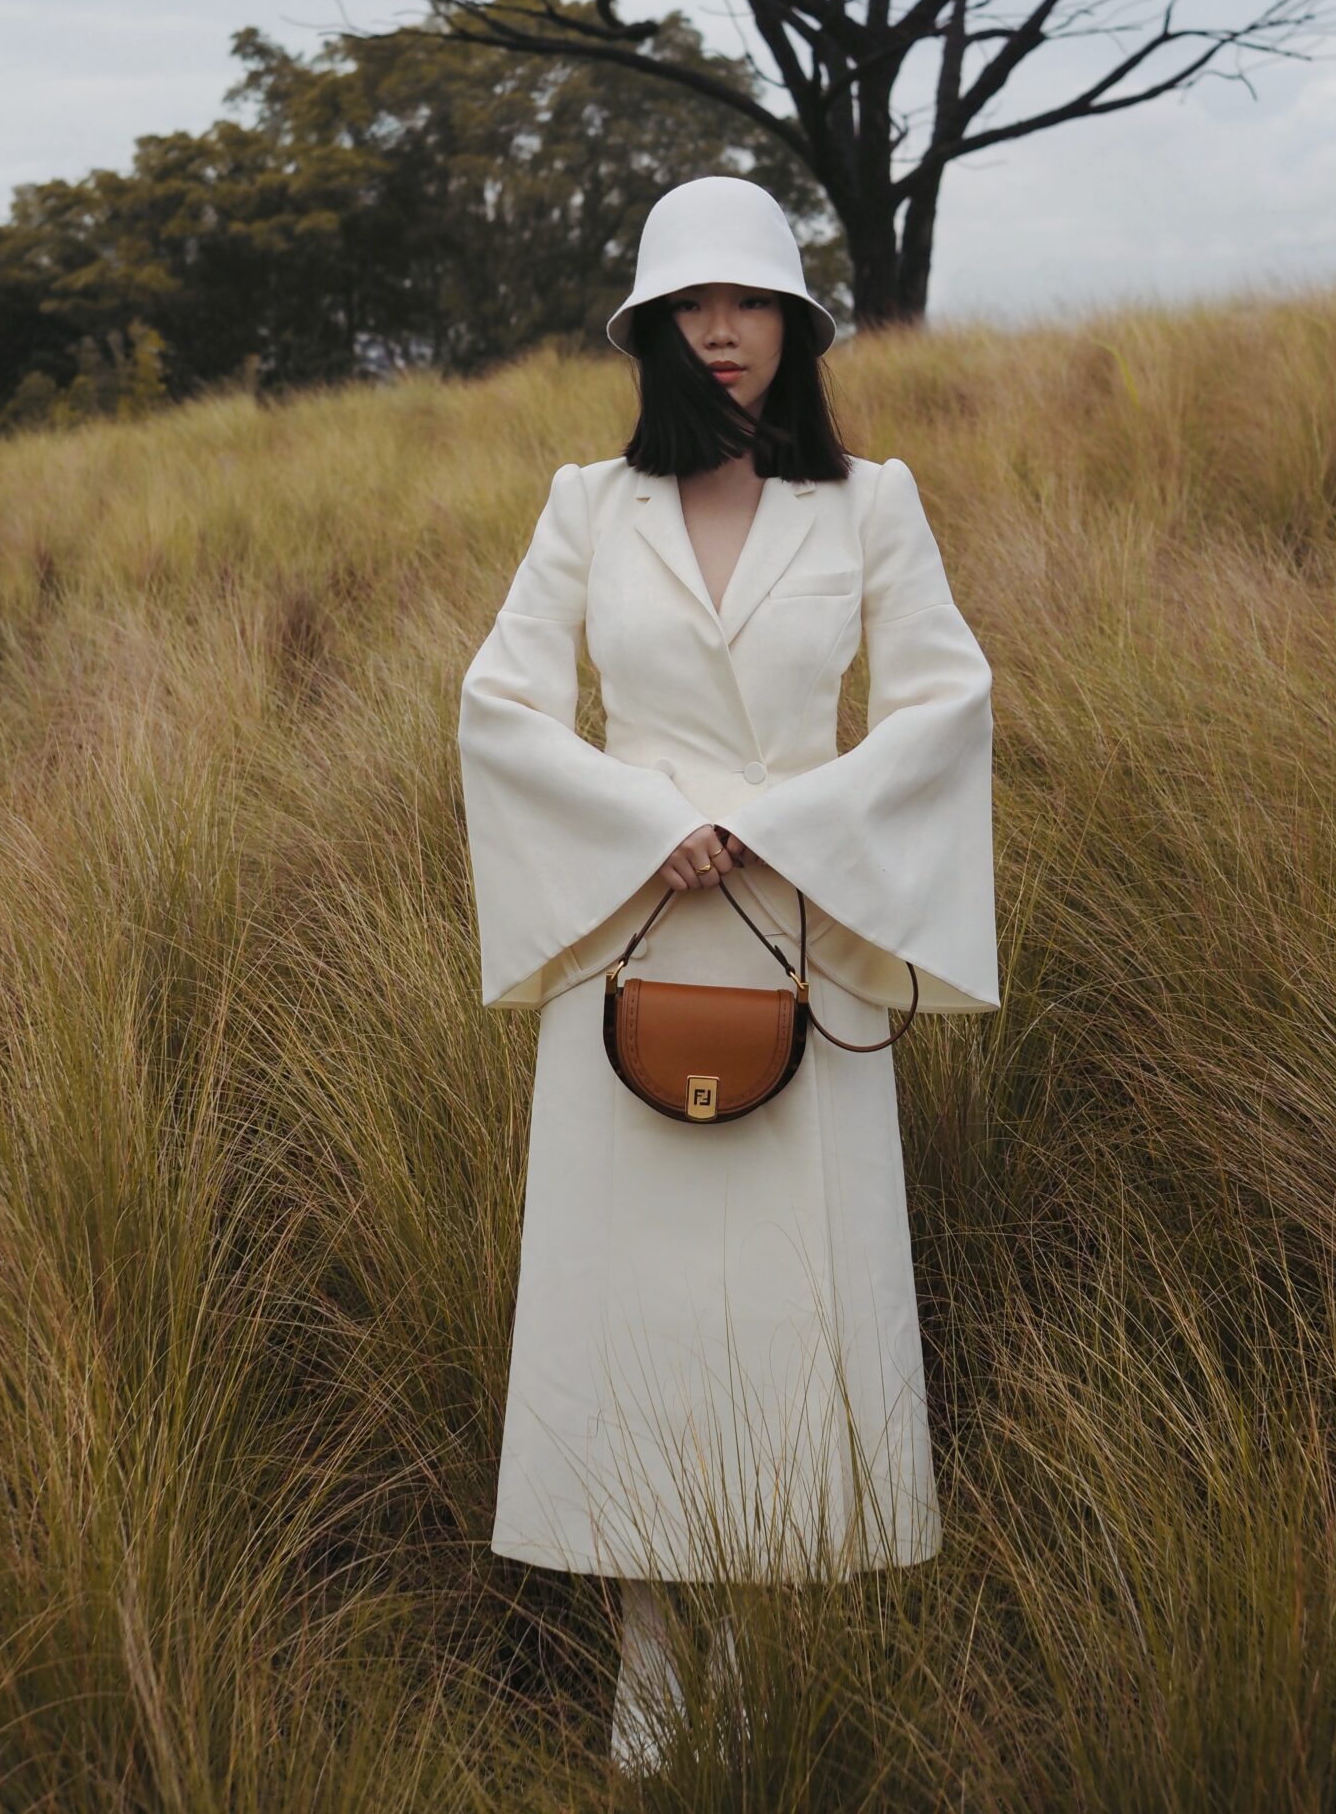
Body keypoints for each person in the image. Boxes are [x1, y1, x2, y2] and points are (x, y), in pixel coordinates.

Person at [456, 174, 998, 1771]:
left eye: (748, 302)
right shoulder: (583, 505)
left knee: (784, 1312)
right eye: (690, 307)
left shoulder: (869, 502)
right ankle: (650, 1691)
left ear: (795, 323)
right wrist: (653, 824)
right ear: (648, 333)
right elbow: (499, 705)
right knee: (634, 1317)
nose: (720, 330)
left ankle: (763, 1686)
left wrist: (776, 828)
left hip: (802, 937)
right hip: (626, 936)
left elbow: (944, 705)